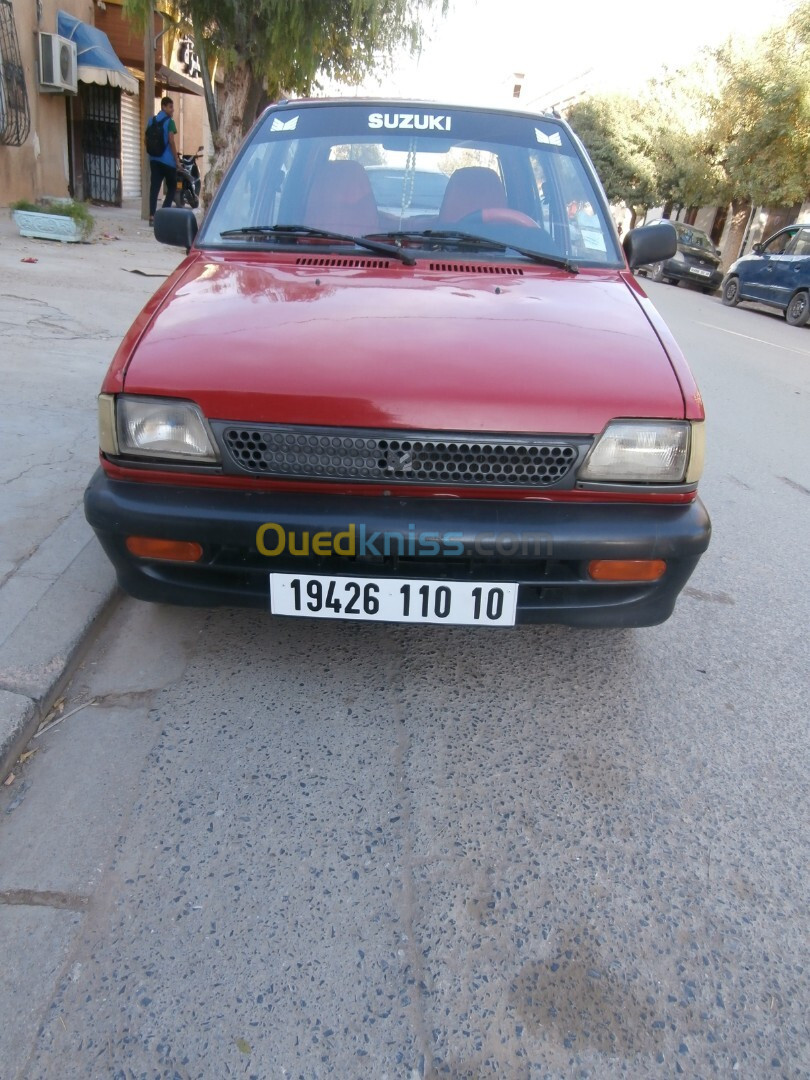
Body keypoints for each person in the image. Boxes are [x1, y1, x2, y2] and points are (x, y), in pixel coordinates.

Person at [146, 96, 180, 225]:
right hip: (167, 161)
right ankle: (163, 216)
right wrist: (177, 161)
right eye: (170, 107)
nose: (173, 110)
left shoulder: (151, 121)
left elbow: (146, 139)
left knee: (154, 188)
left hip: (154, 159)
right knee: (172, 187)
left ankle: (152, 216)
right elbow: (171, 141)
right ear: (163, 107)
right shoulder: (170, 122)